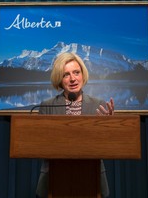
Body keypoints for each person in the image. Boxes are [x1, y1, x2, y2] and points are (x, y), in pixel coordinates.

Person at [36, 52, 114, 198]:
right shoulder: (47, 106)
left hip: (91, 177)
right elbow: (42, 145)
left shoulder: (99, 105)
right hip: (55, 178)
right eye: (66, 74)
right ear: (59, 79)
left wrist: (108, 127)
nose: (72, 79)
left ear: (83, 75)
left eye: (76, 72)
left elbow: (106, 147)